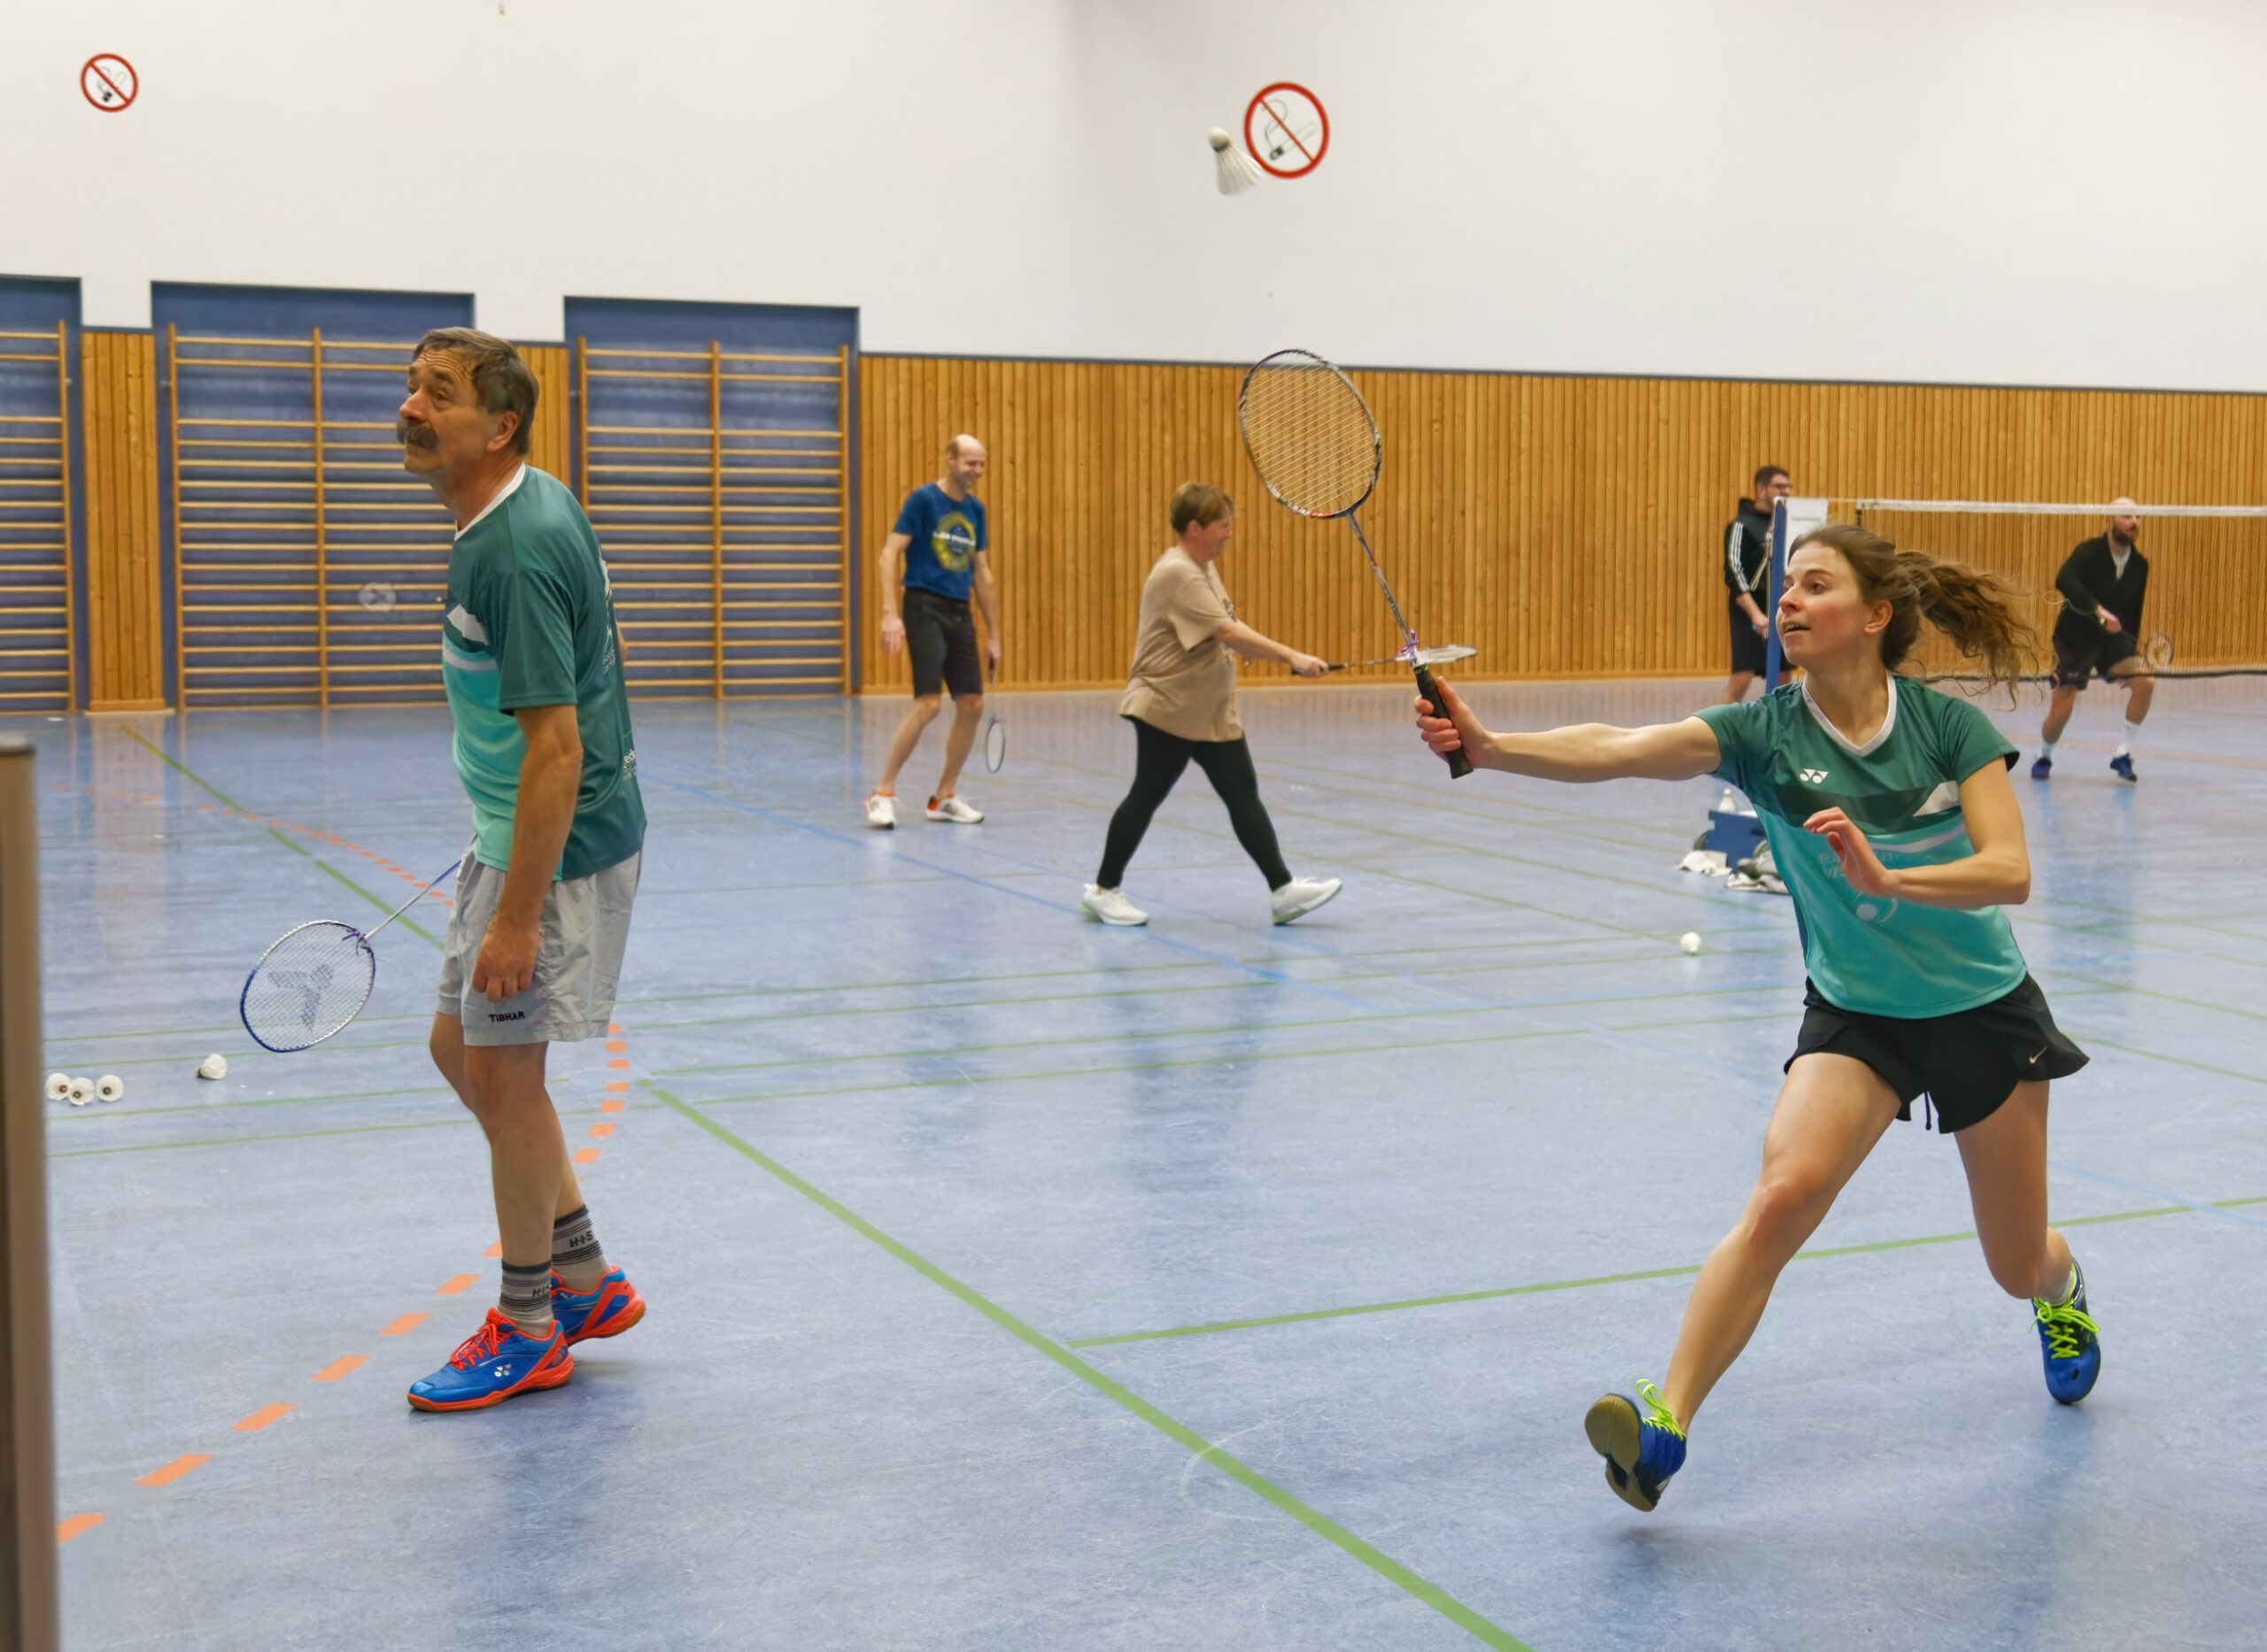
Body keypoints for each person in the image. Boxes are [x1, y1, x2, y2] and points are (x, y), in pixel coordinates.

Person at [1415, 523, 2101, 1513]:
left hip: (1981, 1011)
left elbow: (2009, 871)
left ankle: (2060, 1288)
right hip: (1859, 1017)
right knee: (1781, 1195)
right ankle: (1666, 1424)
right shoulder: (1762, 734)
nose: (1787, 602)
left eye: (1814, 585)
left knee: (2015, 1262)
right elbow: (1621, 748)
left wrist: (1887, 876)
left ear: (1875, 614)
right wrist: (1491, 748)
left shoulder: (1946, 730)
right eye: (1785, 588)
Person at [397, 328, 647, 1411]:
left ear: (499, 427)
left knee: (503, 1075)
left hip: (554, 846)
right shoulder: (526, 502)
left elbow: (557, 750)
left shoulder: (510, 550)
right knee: (460, 1049)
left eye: (438, 395)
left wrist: (514, 917)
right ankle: (583, 1276)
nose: (411, 409)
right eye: (411, 388)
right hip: (517, 833)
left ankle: (530, 1323)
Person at [1080, 483, 1342, 929]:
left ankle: (1282, 890)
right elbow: (1225, 632)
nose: (1229, 533)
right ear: (1195, 528)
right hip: (1169, 707)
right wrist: (1291, 657)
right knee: (1147, 794)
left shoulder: (1203, 567)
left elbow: (1227, 623)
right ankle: (1104, 891)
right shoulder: (1178, 572)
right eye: (1223, 525)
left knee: (1242, 794)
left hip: (1207, 709)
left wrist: (1268, 653)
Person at [865, 436, 1002, 828]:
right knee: (928, 704)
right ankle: (882, 793)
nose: (976, 471)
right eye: (970, 463)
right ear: (950, 460)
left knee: (972, 704)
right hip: (923, 606)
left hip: (959, 611)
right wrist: (890, 614)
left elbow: (982, 573)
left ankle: (944, 795)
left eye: (982, 464)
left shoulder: (975, 510)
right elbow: (889, 554)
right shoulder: (923, 501)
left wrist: (995, 635)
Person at [2033, 499, 2152, 783]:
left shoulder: (2140, 565)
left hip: (2112, 640)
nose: (2134, 522)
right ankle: (2044, 755)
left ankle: (2123, 754)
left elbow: (2133, 613)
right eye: (2126, 516)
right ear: (2110, 520)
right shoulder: (2088, 552)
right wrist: (2099, 612)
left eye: (2138, 517)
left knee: (2145, 682)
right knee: (2061, 709)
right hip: (2075, 635)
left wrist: (2130, 649)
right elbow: (2064, 580)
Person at [1722, 466, 1792, 703]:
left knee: (1783, 674)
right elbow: (1734, 570)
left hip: (1778, 606)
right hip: (1748, 608)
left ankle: (1778, 721)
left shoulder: (1786, 524)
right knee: (1742, 676)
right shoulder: (1741, 524)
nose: (1786, 491)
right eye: (1779, 486)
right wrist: (1756, 615)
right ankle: (1720, 724)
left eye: (1788, 487)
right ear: (1761, 490)